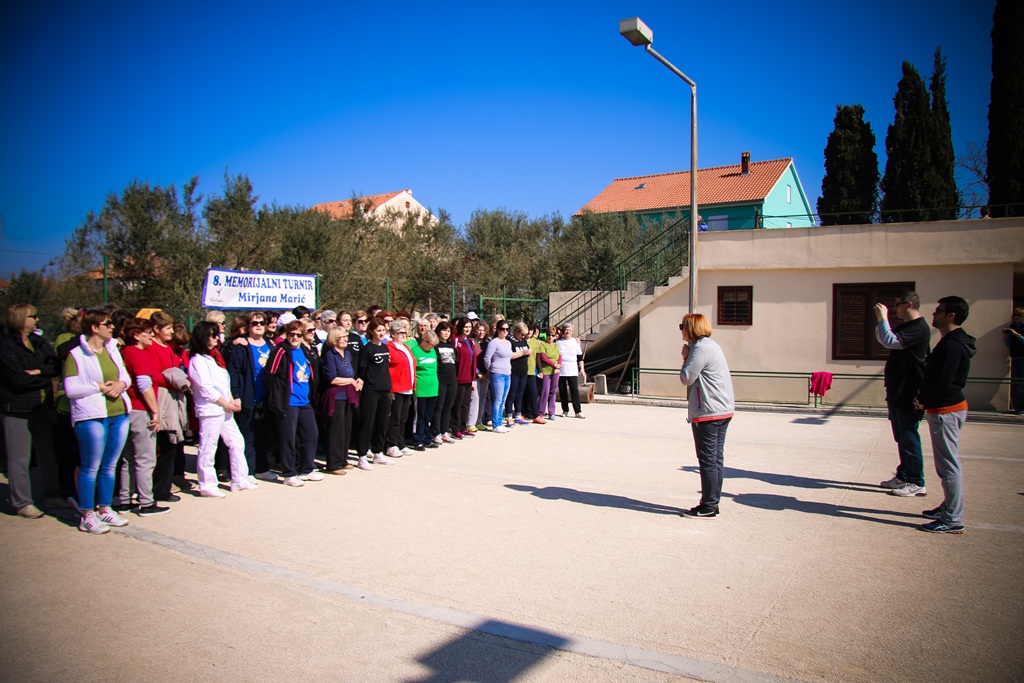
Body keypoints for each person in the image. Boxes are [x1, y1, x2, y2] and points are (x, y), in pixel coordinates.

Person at [64, 308, 133, 534]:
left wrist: (121, 385)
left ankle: (105, 508)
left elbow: (125, 376)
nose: (112, 326)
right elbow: (70, 388)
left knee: (109, 466)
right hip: (91, 415)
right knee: (90, 467)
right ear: (94, 327)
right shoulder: (76, 354)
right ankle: (87, 514)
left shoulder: (112, 349)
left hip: (118, 413)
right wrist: (98, 387)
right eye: (107, 323)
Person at [917, 296, 976, 534]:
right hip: (946, 408)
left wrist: (922, 400)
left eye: (939, 311)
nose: (934, 315)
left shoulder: (952, 345)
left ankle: (952, 519)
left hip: (946, 410)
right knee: (946, 464)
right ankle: (949, 507)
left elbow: (942, 381)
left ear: (951, 315)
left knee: (948, 465)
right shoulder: (952, 341)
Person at [0, 303, 61, 519]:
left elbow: (56, 366)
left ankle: (52, 495)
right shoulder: (6, 345)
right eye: (33, 316)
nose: (37, 320)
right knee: (20, 457)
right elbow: (17, 379)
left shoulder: (38, 341)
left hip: (43, 406)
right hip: (17, 408)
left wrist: (38, 372)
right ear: (19, 319)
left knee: (47, 452)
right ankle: (22, 502)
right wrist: (43, 376)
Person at [874, 291, 931, 497]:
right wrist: (881, 322)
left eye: (897, 304)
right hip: (898, 388)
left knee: (908, 435)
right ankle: (905, 474)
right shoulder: (908, 327)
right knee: (901, 436)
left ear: (908, 305)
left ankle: (916, 481)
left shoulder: (919, 328)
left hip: (908, 390)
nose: (894, 308)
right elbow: (884, 338)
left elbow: (890, 341)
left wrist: (883, 318)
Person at [678, 313, 735, 519]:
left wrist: (685, 357)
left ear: (691, 328)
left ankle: (709, 505)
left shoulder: (700, 349)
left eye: (682, 326)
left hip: (709, 411)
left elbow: (686, 378)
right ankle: (713, 502)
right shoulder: (711, 345)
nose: (681, 330)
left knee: (708, 460)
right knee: (716, 459)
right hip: (721, 409)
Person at [187, 322, 252, 497]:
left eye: (217, 335)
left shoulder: (214, 359)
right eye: (212, 335)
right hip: (210, 409)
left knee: (237, 441)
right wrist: (225, 403)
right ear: (202, 338)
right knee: (208, 445)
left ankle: (239, 479)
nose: (217, 338)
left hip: (225, 409)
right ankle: (207, 484)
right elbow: (205, 389)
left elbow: (224, 383)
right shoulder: (197, 361)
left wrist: (231, 400)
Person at [118, 318, 168, 516]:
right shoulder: (138, 354)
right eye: (147, 332)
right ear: (136, 335)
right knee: (146, 459)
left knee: (128, 459)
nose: (151, 335)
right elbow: (143, 384)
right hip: (140, 410)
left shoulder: (125, 353)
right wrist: (155, 411)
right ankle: (147, 502)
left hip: (128, 411)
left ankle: (125, 499)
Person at [265, 320, 321, 487]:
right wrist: (276, 397)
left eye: (298, 335)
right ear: (287, 335)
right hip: (288, 401)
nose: (295, 337)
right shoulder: (281, 351)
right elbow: (270, 376)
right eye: (292, 334)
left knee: (311, 433)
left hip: (305, 401)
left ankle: (306, 468)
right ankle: (289, 472)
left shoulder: (304, 350)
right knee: (288, 437)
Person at [227, 311, 276, 482]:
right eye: (255, 323)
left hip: (265, 400)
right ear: (248, 326)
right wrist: (236, 395)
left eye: (261, 323)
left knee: (263, 436)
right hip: (248, 397)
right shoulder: (241, 346)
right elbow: (234, 372)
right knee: (247, 436)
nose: (259, 326)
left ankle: (262, 468)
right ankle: (247, 471)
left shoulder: (270, 346)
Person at [320, 326, 361, 474]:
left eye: (346, 336)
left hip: (348, 395)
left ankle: (343, 459)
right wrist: (350, 380)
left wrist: (357, 381)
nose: (345, 339)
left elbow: (352, 373)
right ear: (334, 339)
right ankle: (333, 463)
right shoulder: (330, 355)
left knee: (346, 429)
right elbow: (332, 378)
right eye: (342, 337)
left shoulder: (348, 354)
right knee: (336, 430)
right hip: (336, 396)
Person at [356, 317, 393, 470]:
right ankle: (362, 455)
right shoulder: (366, 349)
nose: (381, 333)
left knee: (382, 422)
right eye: (378, 331)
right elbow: (362, 371)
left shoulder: (384, 348)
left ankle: (378, 452)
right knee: (367, 423)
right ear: (371, 331)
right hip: (371, 391)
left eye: (383, 330)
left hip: (385, 390)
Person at [385, 319, 415, 457]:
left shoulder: (406, 347)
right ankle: (391, 444)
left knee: (403, 417)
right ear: (392, 333)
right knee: (395, 418)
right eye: (400, 332)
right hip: (396, 387)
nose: (403, 335)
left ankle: (400, 442)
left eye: (405, 332)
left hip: (408, 387)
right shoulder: (389, 348)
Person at [409, 329, 439, 450]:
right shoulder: (415, 351)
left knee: (428, 415)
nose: (431, 347)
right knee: (419, 415)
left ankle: (427, 438)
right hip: (421, 388)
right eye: (430, 344)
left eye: (433, 345)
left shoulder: (433, 352)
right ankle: (418, 439)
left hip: (433, 387)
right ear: (424, 340)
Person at [483, 320, 513, 433]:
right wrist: (490, 369)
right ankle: (496, 424)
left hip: (507, 373)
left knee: (503, 400)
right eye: (502, 329)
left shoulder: (508, 343)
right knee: (498, 399)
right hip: (497, 373)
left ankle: (499, 422)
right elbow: (487, 358)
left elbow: (509, 357)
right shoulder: (494, 342)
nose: (504, 331)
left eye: (507, 329)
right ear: (498, 329)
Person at [452, 317, 478, 439]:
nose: (467, 329)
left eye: (469, 327)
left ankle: (463, 427)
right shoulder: (456, 340)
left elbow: (473, 360)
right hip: (459, 378)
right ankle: (455, 428)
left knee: (466, 404)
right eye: (465, 327)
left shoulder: (471, 341)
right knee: (457, 404)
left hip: (469, 378)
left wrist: (473, 379)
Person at [432, 321, 458, 445]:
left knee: (448, 407)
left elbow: (454, 364)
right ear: (438, 331)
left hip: (452, 380)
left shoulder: (451, 347)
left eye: (448, 331)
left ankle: (444, 431)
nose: (446, 333)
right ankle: (436, 433)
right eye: (444, 330)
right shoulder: (435, 347)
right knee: (439, 407)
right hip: (440, 380)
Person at [556, 324, 586, 419]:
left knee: (574, 390)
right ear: (563, 331)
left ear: (572, 332)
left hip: (572, 368)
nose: (568, 332)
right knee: (562, 390)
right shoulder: (558, 342)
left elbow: (580, 357)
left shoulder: (575, 342)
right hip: (561, 369)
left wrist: (582, 369)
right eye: (566, 330)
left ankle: (578, 411)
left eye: (569, 330)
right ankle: (565, 410)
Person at [1003, 307, 1024, 414]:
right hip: (1015, 357)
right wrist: (1006, 337)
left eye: (1018, 315)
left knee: (1022, 383)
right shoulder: (1012, 327)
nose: (1015, 317)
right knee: (1017, 383)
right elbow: (1008, 345)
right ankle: (1018, 407)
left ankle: (1021, 408)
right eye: (1014, 315)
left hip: (1022, 356)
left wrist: (1016, 334)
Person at [538, 327, 561, 420]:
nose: (550, 337)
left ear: (555, 336)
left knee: (553, 391)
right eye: (548, 335)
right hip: (546, 371)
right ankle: (541, 412)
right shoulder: (543, 345)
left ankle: (552, 412)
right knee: (545, 392)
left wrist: (558, 365)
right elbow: (543, 358)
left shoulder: (556, 346)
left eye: (552, 335)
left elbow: (560, 357)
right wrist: (554, 364)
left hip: (555, 372)